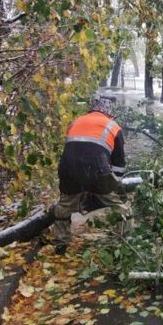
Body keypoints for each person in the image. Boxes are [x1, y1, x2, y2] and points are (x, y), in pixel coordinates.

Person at [52, 95, 132, 255]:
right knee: (121, 205)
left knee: (64, 207)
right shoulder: (113, 127)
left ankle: (61, 244)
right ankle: (125, 242)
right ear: (109, 111)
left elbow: (74, 149)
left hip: (68, 169)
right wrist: (114, 185)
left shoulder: (76, 121)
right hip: (97, 170)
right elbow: (119, 164)